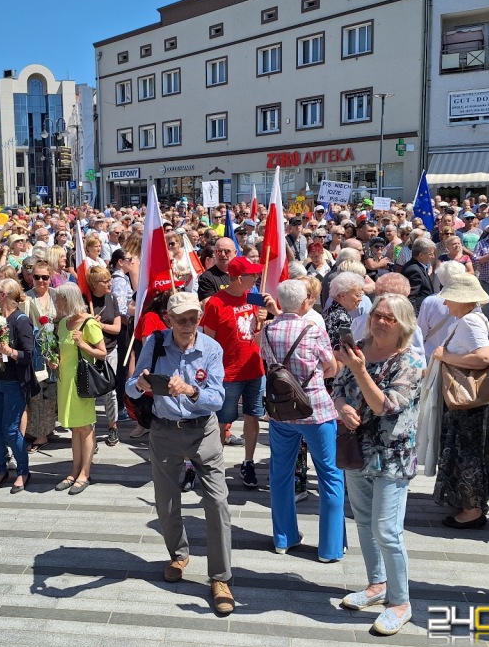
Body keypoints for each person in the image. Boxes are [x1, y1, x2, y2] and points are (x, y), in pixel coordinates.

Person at [125, 291, 234, 616]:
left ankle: (220, 577)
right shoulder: (155, 343)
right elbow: (130, 384)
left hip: (204, 431)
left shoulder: (211, 348)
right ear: (169, 319)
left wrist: (190, 389)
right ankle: (178, 554)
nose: (189, 324)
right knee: (167, 501)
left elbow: (218, 399)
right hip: (164, 431)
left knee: (217, 501)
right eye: (182, 319)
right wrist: (140, 385)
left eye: (194, 318)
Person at [333, 293, 424, 636]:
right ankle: (377, 585)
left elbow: (384, 405)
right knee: (363, 523)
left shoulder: (410, 363)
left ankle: (400, 603)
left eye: (389, 317)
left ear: (403, 325)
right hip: (356, 448)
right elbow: (337, 387)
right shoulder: (358, 346)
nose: (380, 320)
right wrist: (341, 406)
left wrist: (358, 370)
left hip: (391, 455)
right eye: (377, 314)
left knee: (387, 530)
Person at [261, 279, 343, 561]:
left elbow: (267, 362)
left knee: (280, 475)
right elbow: (330, 368)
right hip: (315, 408)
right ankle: (330, 548)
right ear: (306, 301)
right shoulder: (313, 329)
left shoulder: (268, 329)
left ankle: (284, 537)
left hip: (281, 410)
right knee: (330, 475)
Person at [431, 273, 489, 529]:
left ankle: (471, 509)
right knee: (467, 451)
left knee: (467, 453)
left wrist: (447, 357)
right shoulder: (472, 319)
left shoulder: (469, 322)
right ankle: (469, 503)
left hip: (466, 402)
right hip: (469, 402)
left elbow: (484, 358)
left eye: (449, 298)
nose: (446, 304)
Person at [200, 256, 271, 488]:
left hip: (254, 369)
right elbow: (208, 341)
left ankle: (248, 462)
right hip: (227, 373)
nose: (257, 277)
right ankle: (216, 464)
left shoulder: (254, 297)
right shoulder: (215, 303)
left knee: (253, 416)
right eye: (253, 275)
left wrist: (263, 320)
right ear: (241, 278)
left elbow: (256, 335)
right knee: (222, 421)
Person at [53, 282, 106, 495]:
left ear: (67, 299)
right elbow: (62, 350)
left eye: (58, 298)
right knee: (74, 428)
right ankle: (74, 470)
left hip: (82, 381)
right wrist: (54, 360)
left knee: (85, 427)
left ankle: (85, 472)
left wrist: (83, 344)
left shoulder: (89, 323)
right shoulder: (64, 322)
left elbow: (102, 353)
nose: (56, 302)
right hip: (65, 380)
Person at [0, 279, 35, 494]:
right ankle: (1, 469)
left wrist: (10, 352)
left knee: (10, 428)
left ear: (3, 295)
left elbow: (29, 354)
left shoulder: (21, 320)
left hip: (14, 382)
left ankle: (23, 472)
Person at [87, 266, 123, 446]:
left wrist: (99, 326)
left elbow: (117, 329)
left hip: (109, 350)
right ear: (94, 284)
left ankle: (112, 426)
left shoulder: (112, 298)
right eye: (105, 281)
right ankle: (90, 434)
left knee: (110, 392)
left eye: (110, 279)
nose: (110, 283)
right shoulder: (86, 301)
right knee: (90, 393)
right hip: (89, 353)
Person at [24, 260, 57, 451]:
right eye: (37, 277)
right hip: (35, 351)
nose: (41, 281)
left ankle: (46, 428)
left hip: (55, 350)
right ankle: (40, 433)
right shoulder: (26, 298)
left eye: (45, 277)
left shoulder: (57, 296)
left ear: (51, 278)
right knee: (37, 392)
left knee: (51, 393)